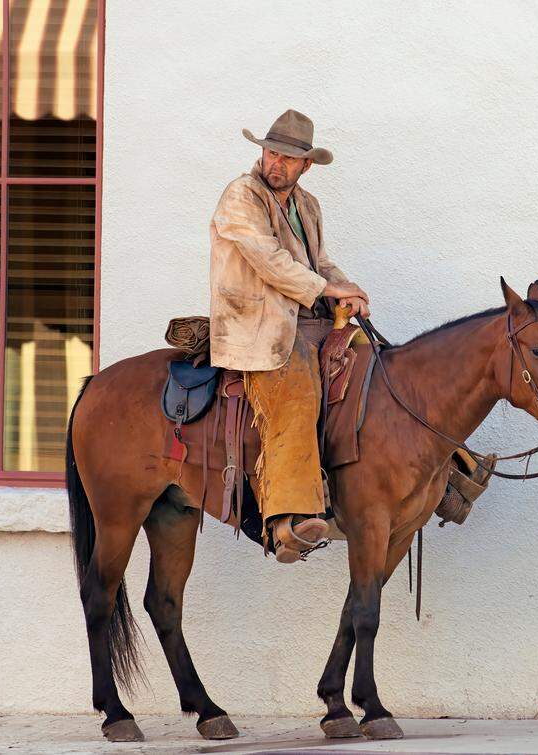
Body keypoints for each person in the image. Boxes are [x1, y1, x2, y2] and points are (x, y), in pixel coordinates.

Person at [208, 109, 370, 563]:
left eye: (287, 157)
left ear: (306, 165)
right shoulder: (241, 196)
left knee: (377, 362)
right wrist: (325, 287)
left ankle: (447, 472)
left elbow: (319, 263)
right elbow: (269, 259)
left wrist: (349, 288)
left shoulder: (308, 205)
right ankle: (287, 520)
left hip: (309, 319)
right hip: (260, 326)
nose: (275, 162)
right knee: (295, 389)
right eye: (271, 152)